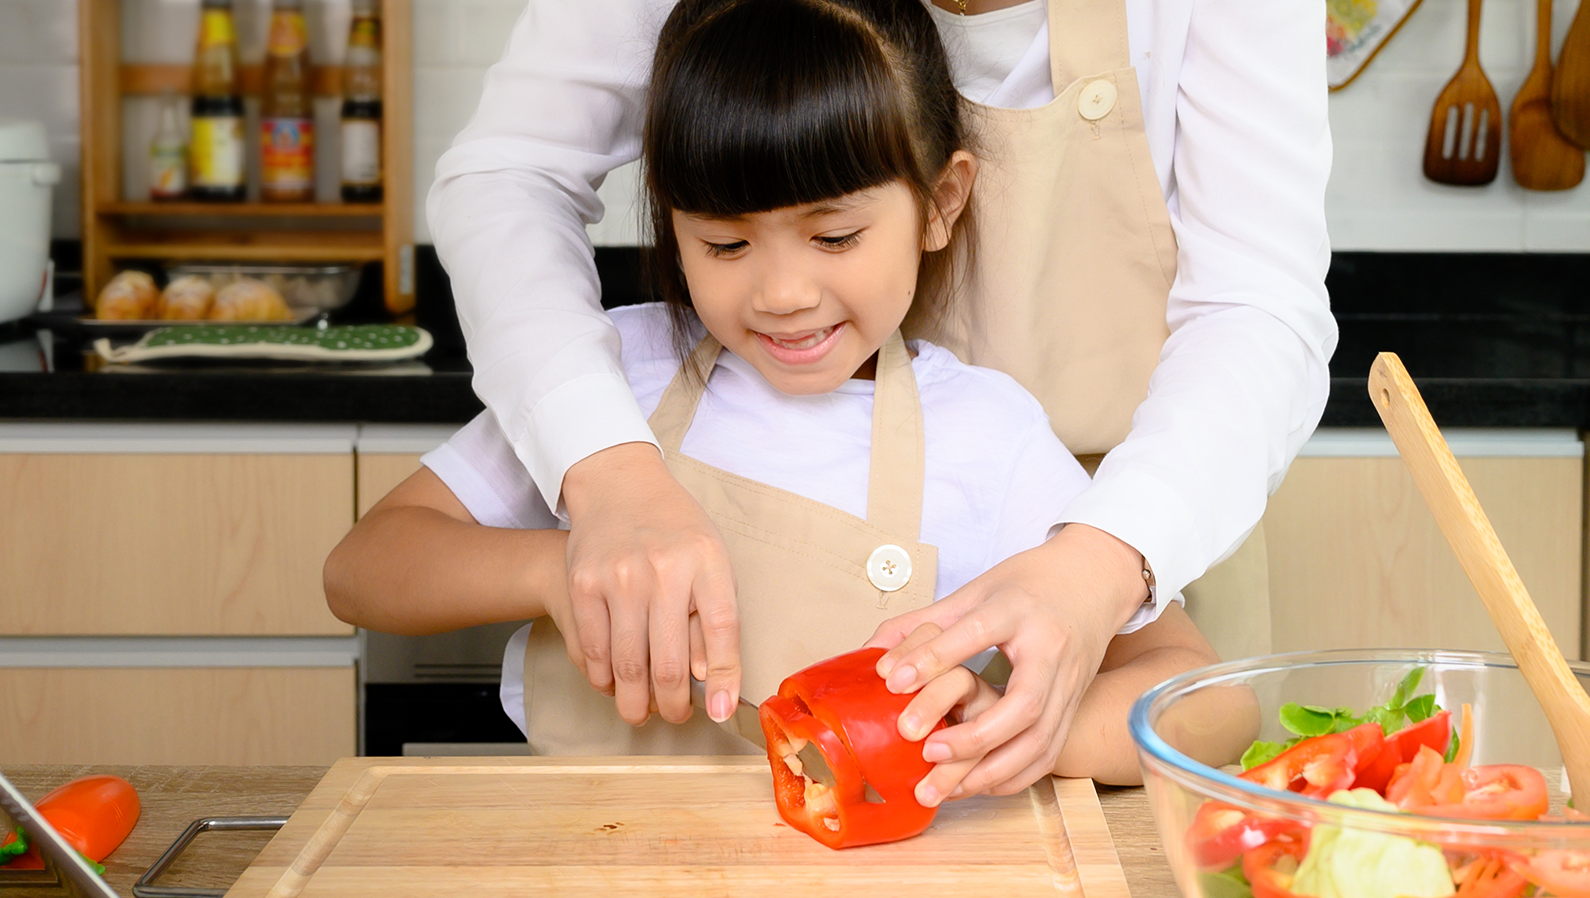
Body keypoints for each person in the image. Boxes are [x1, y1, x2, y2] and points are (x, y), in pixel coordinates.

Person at [425, 0, 1336, 802]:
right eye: (728, 243)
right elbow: (514, 171)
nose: (785, 293)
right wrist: (603, 478)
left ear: (943, 202)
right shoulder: (640, 371)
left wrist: (1104, 567)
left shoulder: (995, 442)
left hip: (1135, 515)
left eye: (834, 234)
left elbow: (1255, 308)